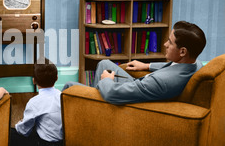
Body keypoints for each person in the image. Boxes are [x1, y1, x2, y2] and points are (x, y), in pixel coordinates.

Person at [63, 21, 206, 104]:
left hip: (127, 95)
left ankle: (98, 106)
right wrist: (147, 66)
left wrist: (107, 81)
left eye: (170, 42)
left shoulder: (162, 82)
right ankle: (95, 104)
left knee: (69, 87)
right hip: (141, 85)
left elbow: (113, 94)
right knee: (104, 63)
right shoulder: (194, 63)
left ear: (182, 51)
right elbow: (174, 68)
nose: (165, 44)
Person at [10, 58, 64, 146]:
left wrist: (18, 124)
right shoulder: (62, 96)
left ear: (33, 80)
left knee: (10, 134)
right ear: (57, 78)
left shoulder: (34, 102)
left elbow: (23, 131)